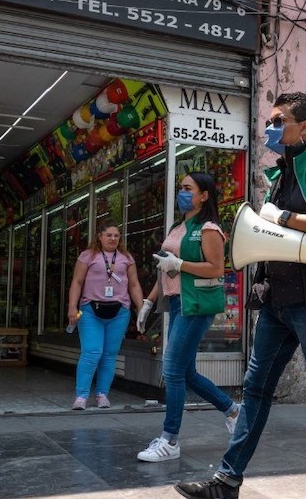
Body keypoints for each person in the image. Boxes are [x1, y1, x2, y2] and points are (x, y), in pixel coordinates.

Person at [174, 91, 306, 499]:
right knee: (255, 390)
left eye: (279, 122)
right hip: (277, 301)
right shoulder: (283, 172)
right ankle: (226, 483)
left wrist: (286, 218)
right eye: (270, 121)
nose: (271, 129)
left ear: (305, 128)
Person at [134, 173, 240, 462]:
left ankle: (170, 440)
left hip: (196, 305)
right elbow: (165, 269)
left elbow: (217, 269)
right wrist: (148, 301)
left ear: (204, 195)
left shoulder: (209, 229)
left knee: (172, 371)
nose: (181, 193)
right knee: (187, 372)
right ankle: (233, 411)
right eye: (180, 188)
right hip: (178, 304)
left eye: (187, 189)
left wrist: (179, 263)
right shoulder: (178, 226)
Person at [66, 221, 144, 410]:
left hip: (120, 311)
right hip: (91, 309)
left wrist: (141, 308)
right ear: (99, 236)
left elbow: (134, 284)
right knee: (91, 352)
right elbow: (77, 282)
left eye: (116, 236)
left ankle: (102, 395)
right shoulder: (88, 256)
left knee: (109, 355)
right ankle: (81, 396)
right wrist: (72, 307)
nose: (113, 239)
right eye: (109, 235)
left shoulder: (126, 258)